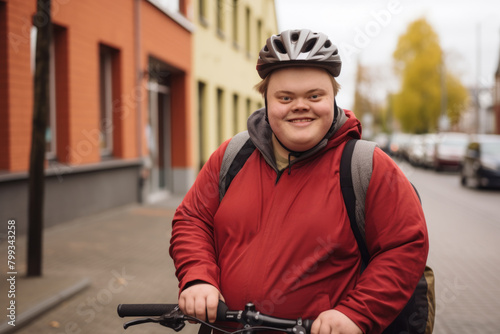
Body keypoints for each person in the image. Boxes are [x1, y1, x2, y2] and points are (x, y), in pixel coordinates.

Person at [169, 29, 428, 334]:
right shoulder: (233, 155)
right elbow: (192, 219)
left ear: (333, 99)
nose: (300, 106)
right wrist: (198, 277)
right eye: (285, 97)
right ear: (267, 100)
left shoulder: (367, 166)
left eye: (314, 96)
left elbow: (404, 247)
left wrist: (358, 314)